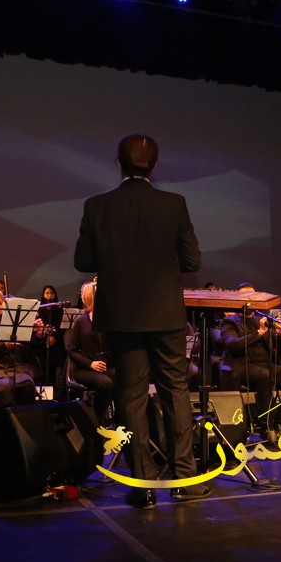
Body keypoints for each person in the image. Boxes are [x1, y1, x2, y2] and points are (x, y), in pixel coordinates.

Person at [74, 133, 208, 509]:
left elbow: (84, 261)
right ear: (155, 165)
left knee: (130, 396)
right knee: (174, 392)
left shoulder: (97, 205)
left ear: (119, 163)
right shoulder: (174, 204)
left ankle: (143, 485)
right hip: (165, 313)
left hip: (122, 316)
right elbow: (192, 261)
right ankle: (185, 479)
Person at [217, 284, 281, 435]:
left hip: (265, 365)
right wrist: (258, 333)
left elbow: (280, 351)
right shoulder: (229, 322)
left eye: (252, 297)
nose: (249, 301)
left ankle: (280, 421)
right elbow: (233, 345)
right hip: (241, 366)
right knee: (265, 376)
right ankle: (266, 425)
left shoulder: (261, 320)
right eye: (245, 297)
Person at [66, 280, 115, 425]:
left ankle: (121, 422)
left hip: (107, 367)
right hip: (85, 369)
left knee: (124, 380)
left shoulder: (109, 320)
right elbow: (72, 351)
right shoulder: (81, 322)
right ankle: (96, 421)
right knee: (106, 384)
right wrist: (91, 363)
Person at [35, 284, 67, 387]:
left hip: (56, 343)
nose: (49, 295)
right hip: (43, 343)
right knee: (42, 366)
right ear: (43, 295)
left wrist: (55, 337)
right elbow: (38, 327)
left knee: (54, 369)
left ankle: (54, 390)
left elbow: (63, 327)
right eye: (47, 293)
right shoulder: (39, 310)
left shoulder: (59, 309)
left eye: (51, 293)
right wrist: (46, 338)